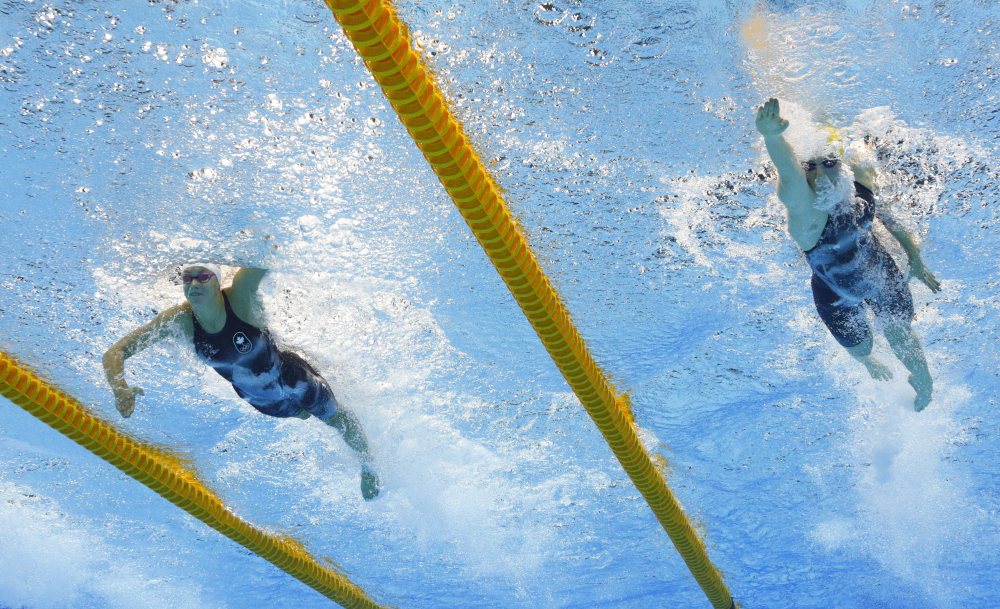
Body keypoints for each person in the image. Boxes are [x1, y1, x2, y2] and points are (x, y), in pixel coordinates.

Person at [103, 263, 381, 499]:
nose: (194, 283)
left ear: (218, 281)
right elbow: (116, 352)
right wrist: (119, 387)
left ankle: (368, 466)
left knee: (335, 418)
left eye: (203, 276)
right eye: (187, 278)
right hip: (264, 403)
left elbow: (264, 255)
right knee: (303, 416)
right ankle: (302, 413)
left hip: (293, 379)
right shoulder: (180, 321)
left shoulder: (239, 298)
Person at [754, 98, 941, 411]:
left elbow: (889, 218)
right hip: (834, 293)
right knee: (862, 347)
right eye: (809, 167)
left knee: (900, 331)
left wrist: (915, 259)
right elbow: (789, 174)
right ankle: (867, 362)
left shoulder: (855, 184)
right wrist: (772, 137)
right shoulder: (806, 215)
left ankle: (924, 379)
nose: (821, 173)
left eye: (828, 163)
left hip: (879, 271)